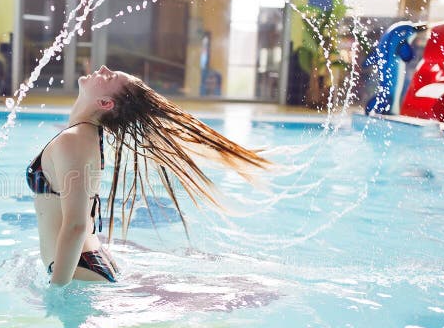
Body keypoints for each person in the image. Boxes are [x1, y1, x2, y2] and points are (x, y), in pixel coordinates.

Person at [26, 65, 270, 286]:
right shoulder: (85, 136)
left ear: (105, 103)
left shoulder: (74, 140)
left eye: (109, 76)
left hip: (77, 270)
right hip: (85, 264)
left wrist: (56, 291)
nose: (102, 68)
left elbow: (76, 225)